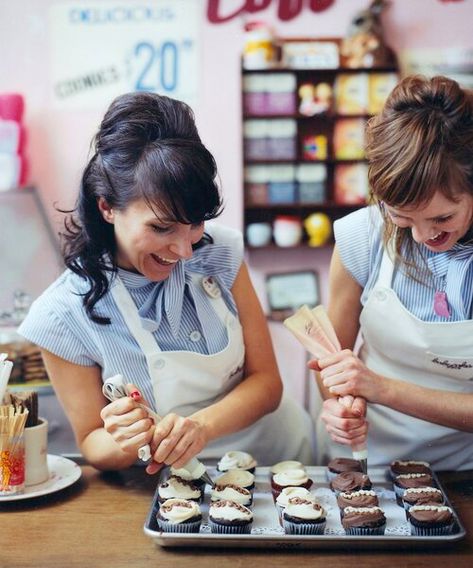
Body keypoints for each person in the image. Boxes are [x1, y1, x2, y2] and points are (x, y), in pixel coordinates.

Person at [19, 92, 314, 472]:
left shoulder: (218, 251)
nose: (185, 251)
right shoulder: (61, 314)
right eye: (161, 227)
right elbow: (92, 441)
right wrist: (127, 438)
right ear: (106, 206)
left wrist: (201, 427)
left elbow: (267, 383)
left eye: (195, 223)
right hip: (170, 488)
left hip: (280, 461)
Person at [310, 75, 473, 471]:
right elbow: (333, 360)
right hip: (369, 461)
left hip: (465, 470)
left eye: (442, 217)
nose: (422, 235)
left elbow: (369, 381)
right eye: (400, 216)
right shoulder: (359, 237)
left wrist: (380, 388)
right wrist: (339, 404)